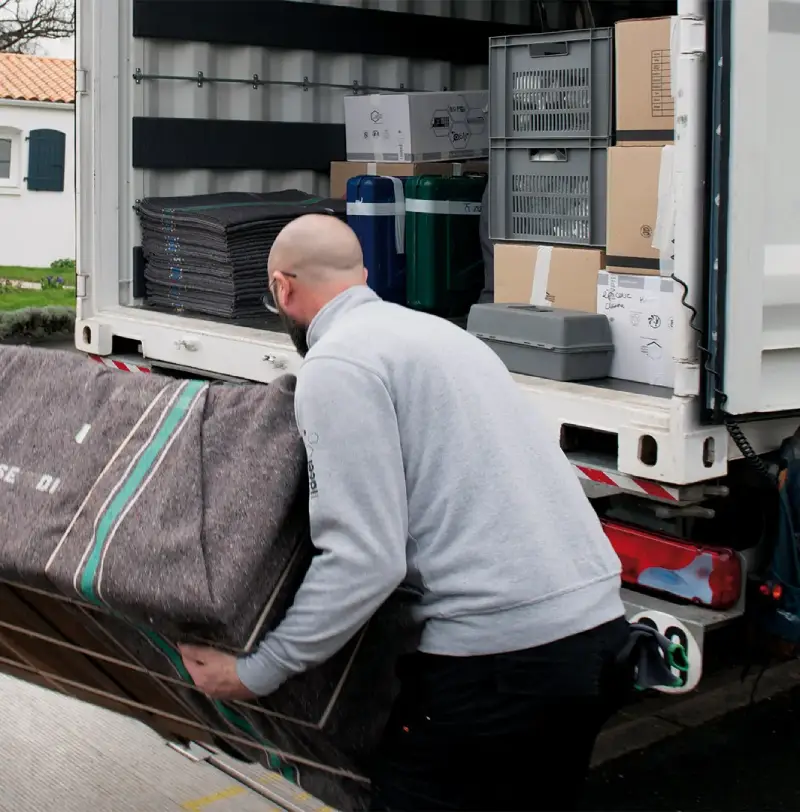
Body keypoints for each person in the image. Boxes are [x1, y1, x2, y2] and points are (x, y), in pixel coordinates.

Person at [180, 214, 631, 811]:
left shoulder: (339, 365)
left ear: (281, 289)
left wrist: (258, 671)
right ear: (363, 276)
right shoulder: (440, 335)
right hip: (597, 635)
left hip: (499, 660)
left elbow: (366, 559)